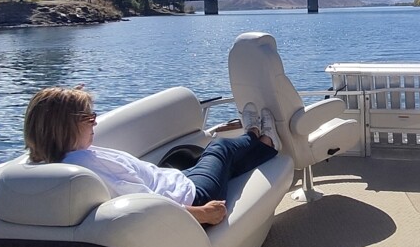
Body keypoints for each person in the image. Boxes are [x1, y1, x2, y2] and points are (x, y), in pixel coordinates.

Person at [23, 87, 280, 226]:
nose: (95, 123)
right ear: (64, 128)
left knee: (220, 162)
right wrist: (203, 214)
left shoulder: (62, 159)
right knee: (219, 148)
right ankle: (257, 134)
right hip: (192, 197)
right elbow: (146, 209)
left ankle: (263, 145)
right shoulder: (85, 169)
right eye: (89, 118)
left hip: (174, 184)